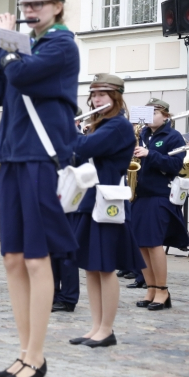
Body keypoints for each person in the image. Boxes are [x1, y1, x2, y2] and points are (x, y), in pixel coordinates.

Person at [0, 0, 80, 377]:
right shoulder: (21, 47)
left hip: (41, 159)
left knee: (37, 259)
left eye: (39, 3)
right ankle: (22, 352)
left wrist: (6, 42)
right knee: (13, 259)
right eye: (26, 3)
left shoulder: (60, 44)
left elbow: (22, 75)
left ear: (57, 7)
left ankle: (36, 357)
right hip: (15, 157)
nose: (30, 9)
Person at [67, 74, 145, 347]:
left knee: (105, 266)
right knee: (90, 266)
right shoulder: (100, 126)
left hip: (107, 201)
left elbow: (84, 147)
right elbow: (77, 155)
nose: (97, 98)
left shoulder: (118, 126)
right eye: (94, 94)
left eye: (103, 93)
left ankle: (107, 329)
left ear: (116, 96)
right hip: (91, 199)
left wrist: (72, 130)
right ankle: (96, 326)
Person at [130, 98, 188, 309]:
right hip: (140, 195)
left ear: (165, 115)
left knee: (154, 244)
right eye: (147, 113)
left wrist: (149, 154)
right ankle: (151, 288)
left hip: (159, 195)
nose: (150, 117)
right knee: (141, 245)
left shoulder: (173, 136)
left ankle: (162, 290)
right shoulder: (141, 135)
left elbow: (175, 165)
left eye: (154, 112)